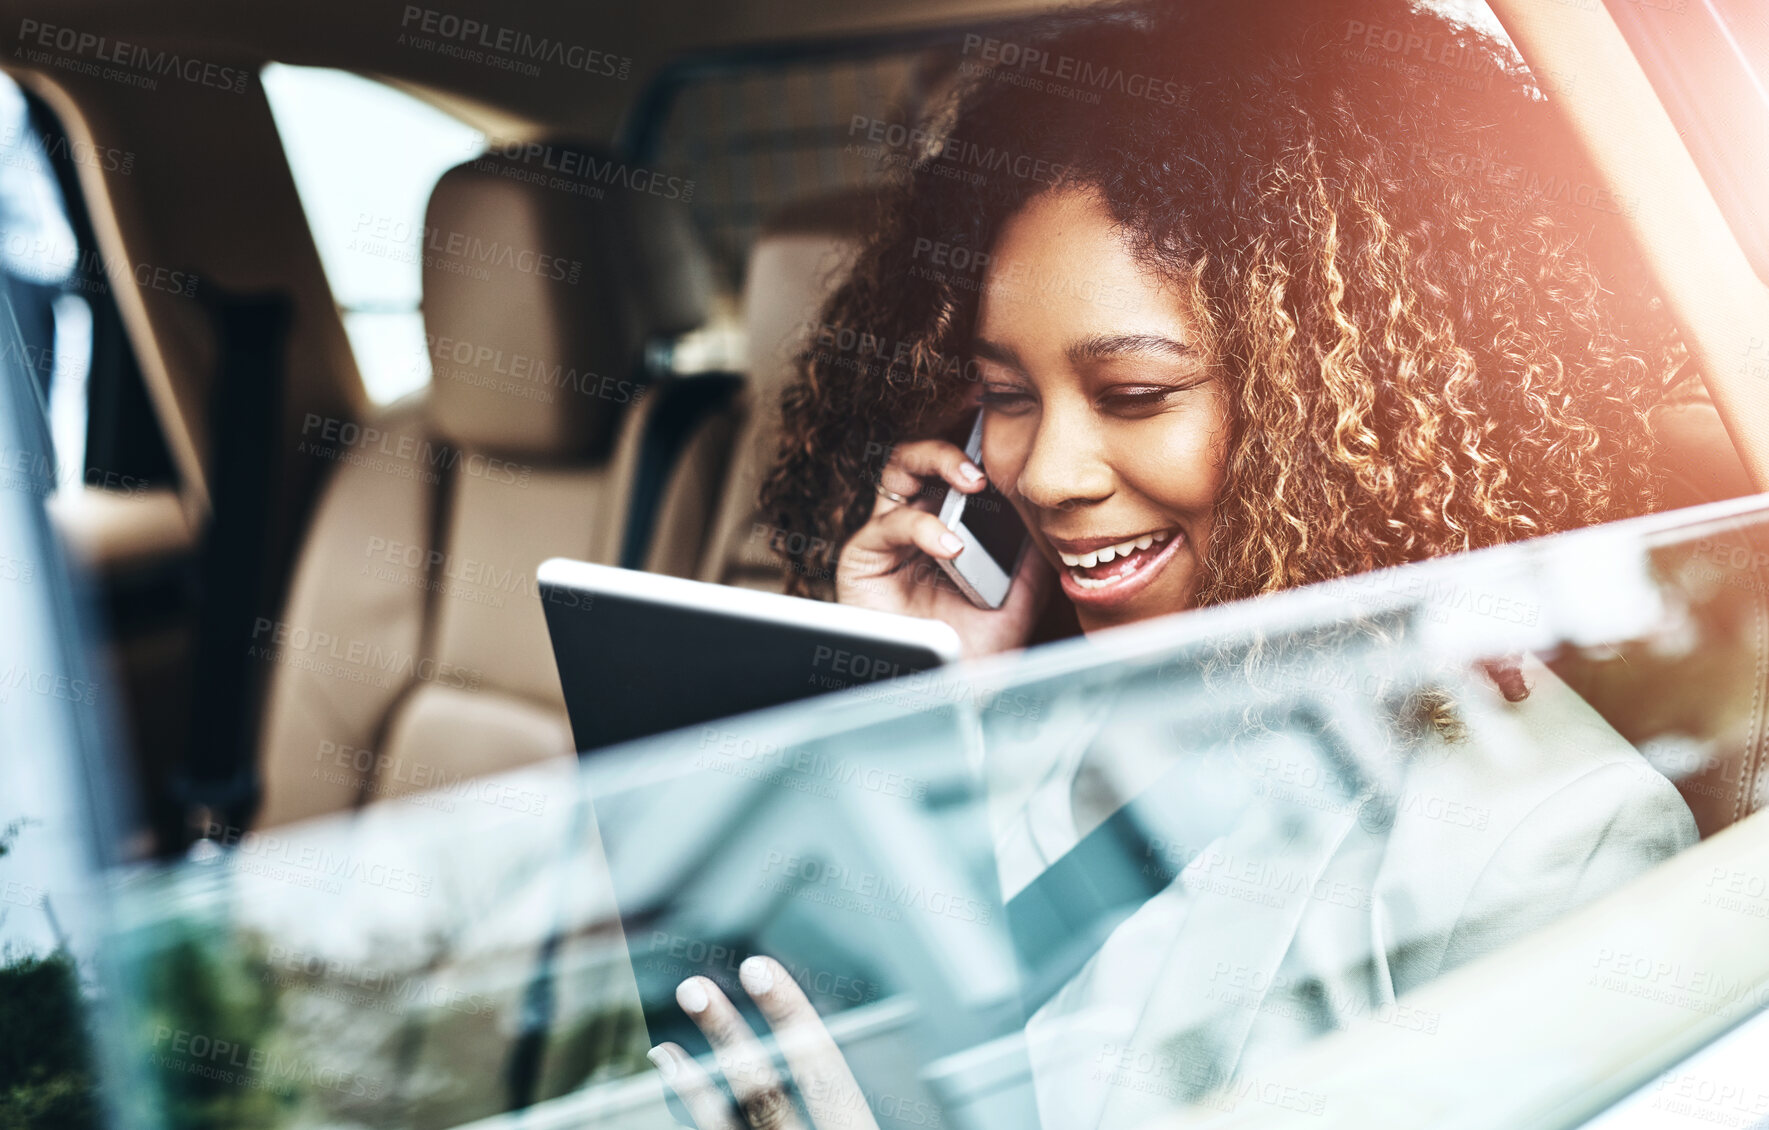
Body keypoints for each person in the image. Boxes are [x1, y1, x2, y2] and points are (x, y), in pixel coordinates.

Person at [644, 0, 1697, 1125]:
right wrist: (907, 695)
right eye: (1003, 396)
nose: (1043, 472)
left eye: (1134, 395)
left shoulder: (1542, 837)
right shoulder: (1021, 709)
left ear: (1339, 412)